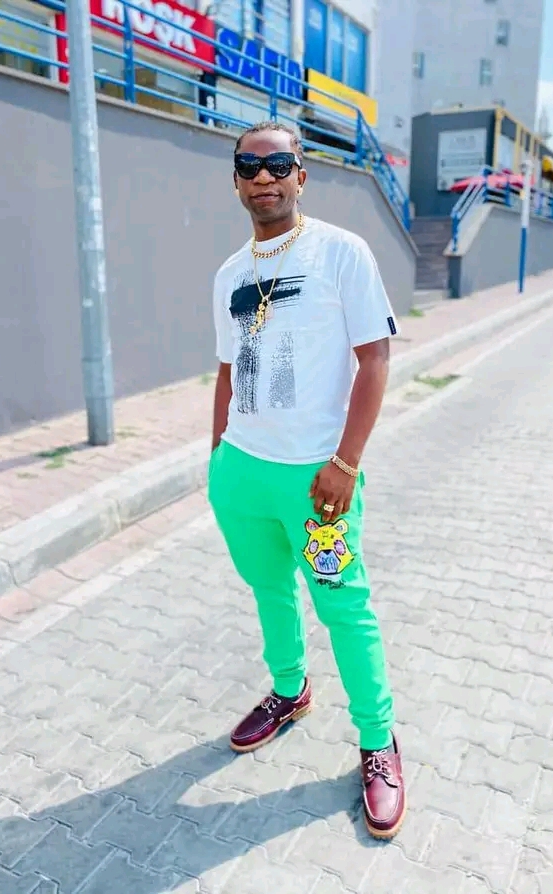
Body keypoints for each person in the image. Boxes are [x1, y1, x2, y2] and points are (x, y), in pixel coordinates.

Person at [207, 121, 405, 840]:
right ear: (236, 180)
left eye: (278, 164)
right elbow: (226, 372)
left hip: (318, 485)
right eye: (249, 165)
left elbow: (375, 359)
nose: (263, 177)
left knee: (344, 607)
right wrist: (217, 461)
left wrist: (345, 464)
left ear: (301, 174)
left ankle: (378, 740)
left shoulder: (340, 253)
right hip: (242, 477)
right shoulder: (229, 274)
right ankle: (289, 691)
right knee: (269, 590)